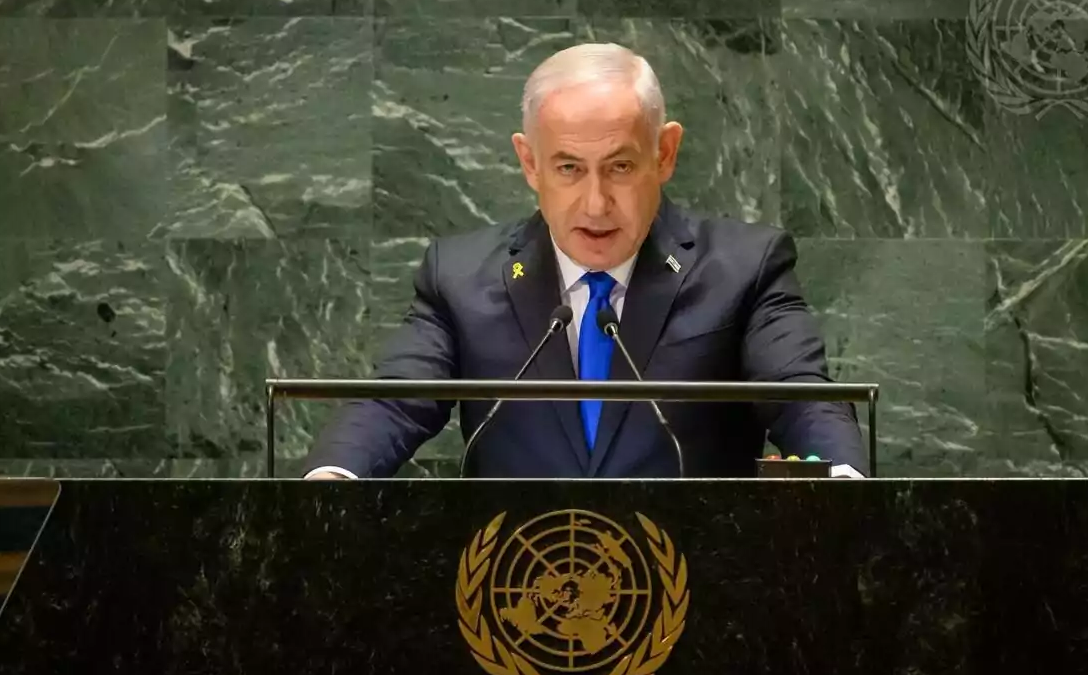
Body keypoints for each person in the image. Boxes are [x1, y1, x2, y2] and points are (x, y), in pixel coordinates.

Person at [305, 43, 866, 480]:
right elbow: (393, 401)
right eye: (569, 168)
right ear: (529, 162)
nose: (596, 204)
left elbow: (798, 393)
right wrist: (332, 476)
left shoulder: (745, 267)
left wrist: (842, 476)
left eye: (620, 167)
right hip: (512, 595)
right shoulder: (458, 276)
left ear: (664, 153)